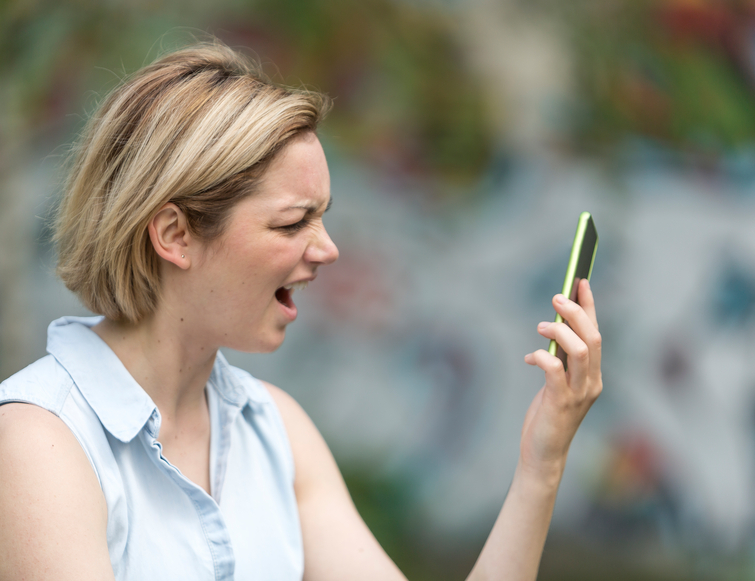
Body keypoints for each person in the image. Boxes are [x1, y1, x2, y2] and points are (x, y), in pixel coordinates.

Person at [0, 41, 603, 581]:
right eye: (292, 223)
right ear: (174, 235)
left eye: (323, 216)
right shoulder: (39, 441)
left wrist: (541, 462)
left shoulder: (276, 428)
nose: (328, 249)